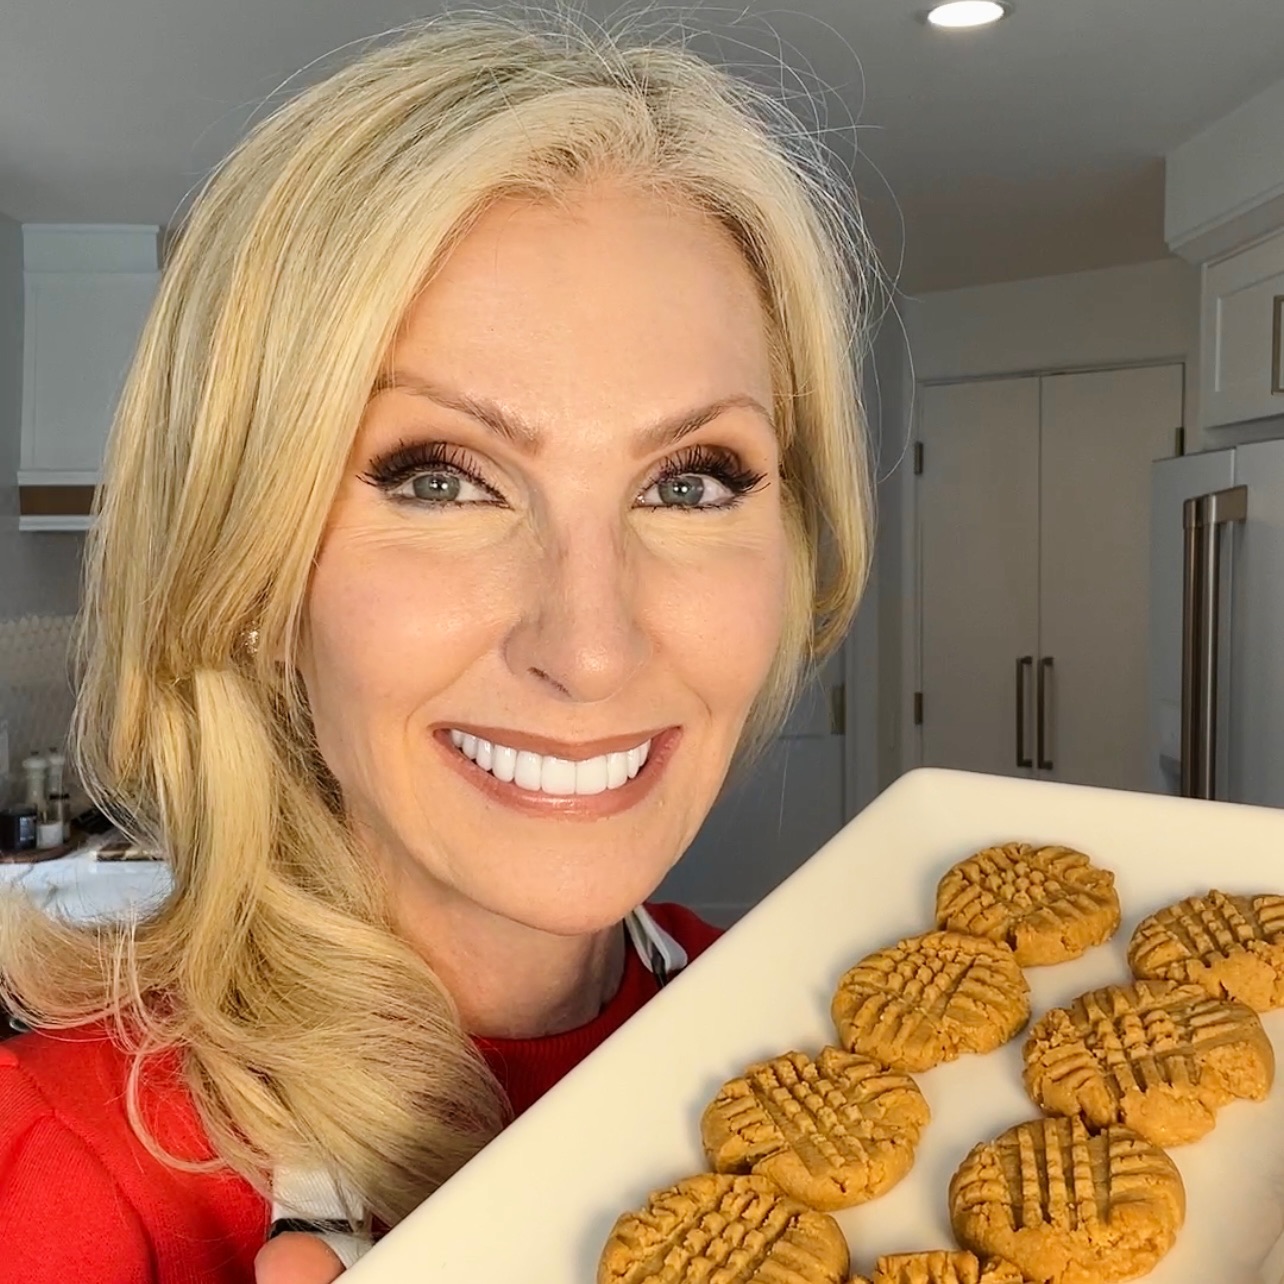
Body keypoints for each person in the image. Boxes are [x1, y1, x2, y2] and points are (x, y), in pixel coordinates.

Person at [0, 13, 871, 1283]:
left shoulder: (812, 1036)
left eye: (690, 482)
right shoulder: (66, 1183)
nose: (592, 649)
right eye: (441, 479)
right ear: (251, 564)